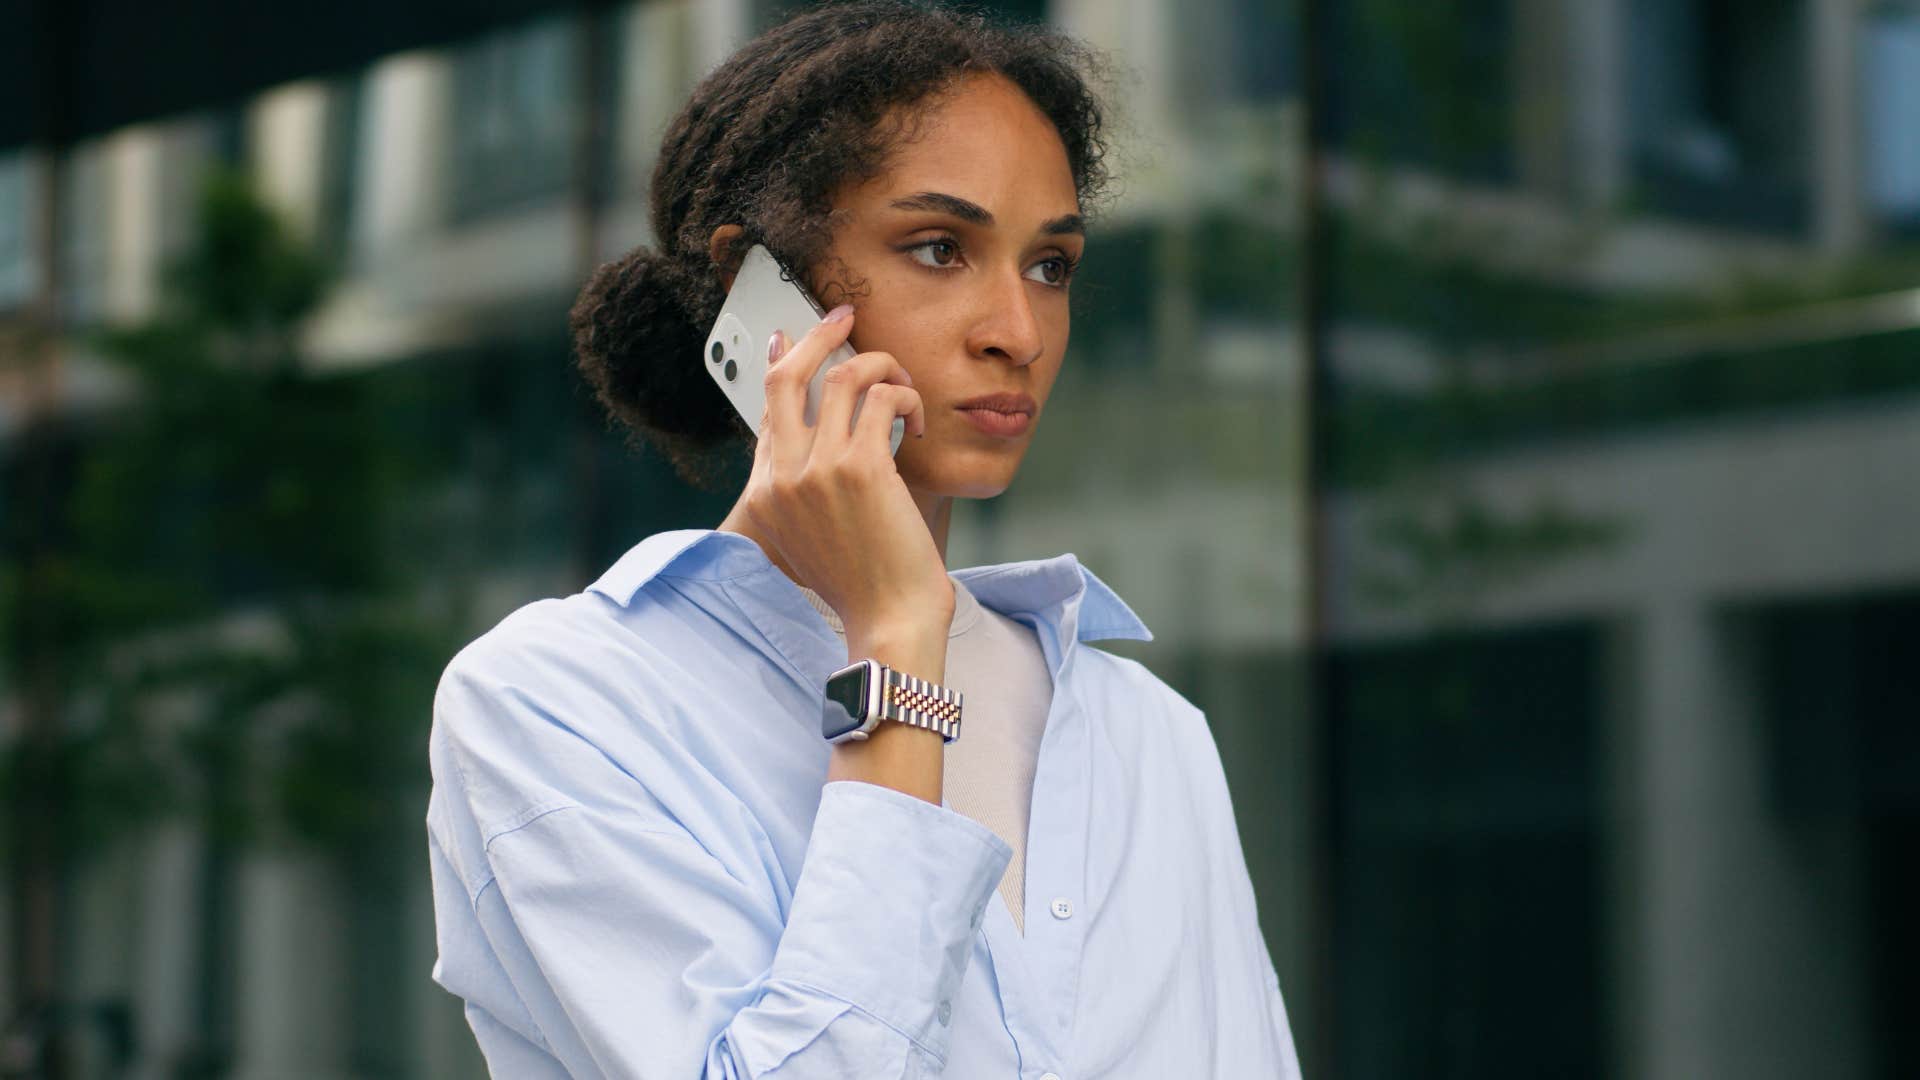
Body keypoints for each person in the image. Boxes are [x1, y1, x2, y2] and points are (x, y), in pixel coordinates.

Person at [425, 3, 1302, 1076]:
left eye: (1051, 267)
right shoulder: (559, 702)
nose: (1016, 333)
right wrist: (894, 639)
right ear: (759, 292)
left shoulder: (1149, 732)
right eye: (940, 249)